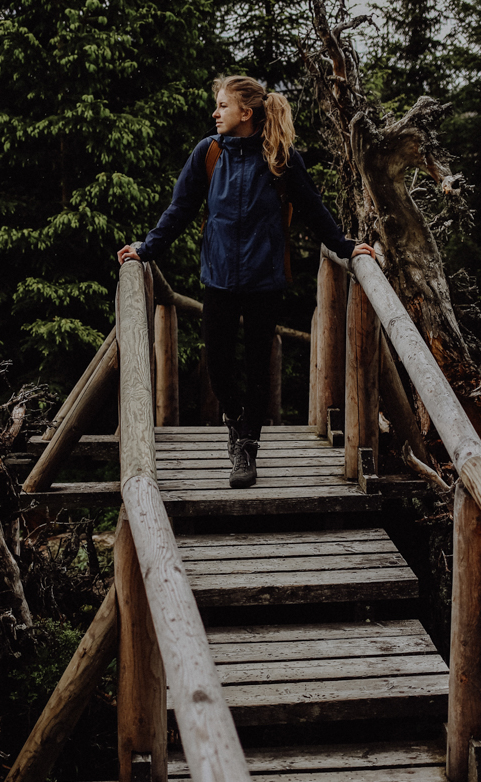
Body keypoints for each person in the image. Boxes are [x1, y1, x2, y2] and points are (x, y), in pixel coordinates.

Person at [117, 75, 375, 488]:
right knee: (217, 363)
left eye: (222, 106)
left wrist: (346, 248)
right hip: (218, 278)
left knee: (258, 367)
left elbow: (312, 209)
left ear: (246, 113)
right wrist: (147, 248)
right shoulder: (210, 153)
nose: (215, 113)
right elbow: (180, 208)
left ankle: (247, 447)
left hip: (264, 280)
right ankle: (235, 421)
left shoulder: (280, 158)